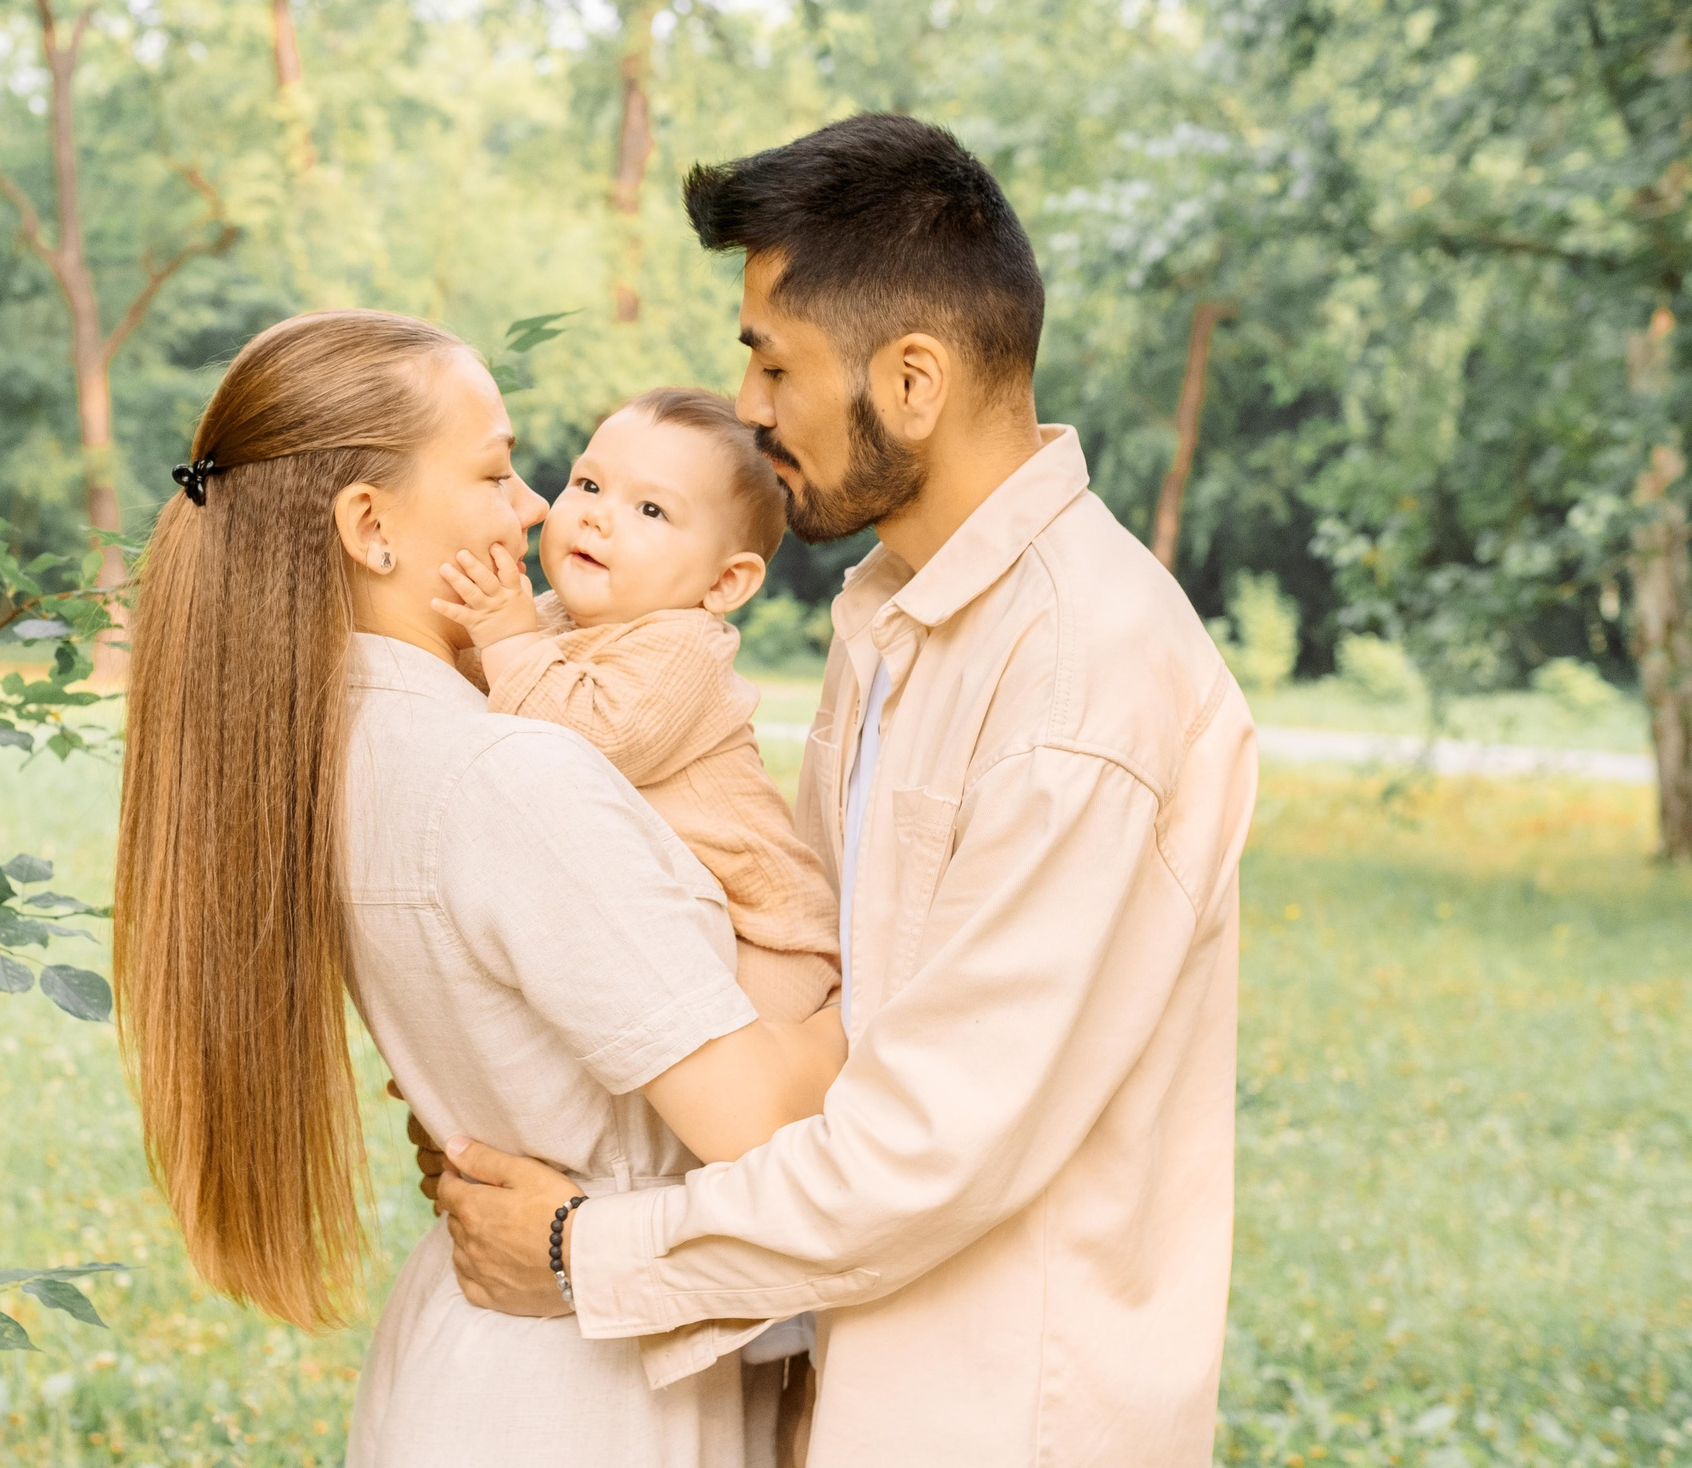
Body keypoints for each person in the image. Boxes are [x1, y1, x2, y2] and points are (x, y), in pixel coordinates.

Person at [436, 114, 1259, 1466]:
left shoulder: (1079, 687)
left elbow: (930, 1145)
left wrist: (587, 1246)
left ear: (914, 378)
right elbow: (808, 992)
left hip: (994, 1420)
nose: (748, 406)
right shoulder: (894, 617)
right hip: (835, 1378)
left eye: (773, 360)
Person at [112, 310, 846, 1468]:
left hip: (491, 1354)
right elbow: (756, 1117)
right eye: (498, 471)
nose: (540, 507)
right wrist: (918, 979)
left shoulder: (323, 748)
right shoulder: (508, 775)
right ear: (371, 526)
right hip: (585, 1393)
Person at [434, 386, 842, 1023]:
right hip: (662, 916)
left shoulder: (684, 647)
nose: (597, 516)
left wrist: (506, 638)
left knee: (736, 1076)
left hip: (766, 934)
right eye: (589, 484)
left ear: (724, 581)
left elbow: (591, 740)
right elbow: (473, 686)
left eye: (651, 509)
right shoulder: (548, 620)